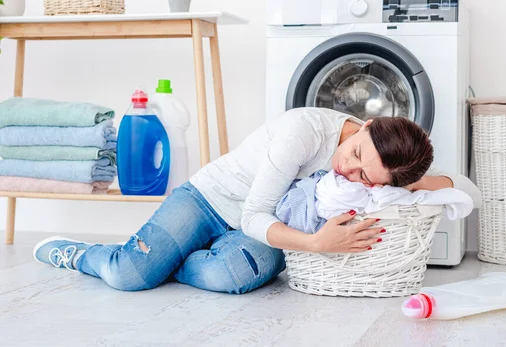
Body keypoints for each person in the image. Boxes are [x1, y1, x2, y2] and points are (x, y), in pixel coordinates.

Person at [33, 107, 482, 294]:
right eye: (356, 155)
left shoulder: (379, 171)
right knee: (130, 275)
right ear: (364, 124)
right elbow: (253, 213)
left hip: (264, 229)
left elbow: (469, 189)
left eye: (367, 176)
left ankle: (170, 260)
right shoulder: (304, 132)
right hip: (213, 199)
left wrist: (412, 185)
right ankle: (81, 255)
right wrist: (317, 244)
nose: (351, 171)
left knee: (232, 276)